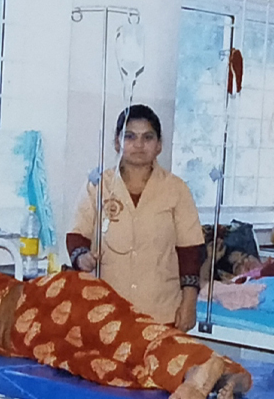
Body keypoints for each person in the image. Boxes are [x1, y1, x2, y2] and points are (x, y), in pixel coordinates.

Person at [0, 260, 252, 399]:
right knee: (116, 368)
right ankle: (225, 375)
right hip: (43, 341)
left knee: (132, 338)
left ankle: (197, 368)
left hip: (49, 302)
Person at [67, 105, 204, 331]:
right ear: (117, 142)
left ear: (159, 145)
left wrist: (189, 303)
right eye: (130, 136)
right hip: (107, 313)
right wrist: (82, 257)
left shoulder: (176, 189)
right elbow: (76, 234)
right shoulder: (99, 185)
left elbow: (190, 251)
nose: (139, 145)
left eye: (147, 137)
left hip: (162, 313)